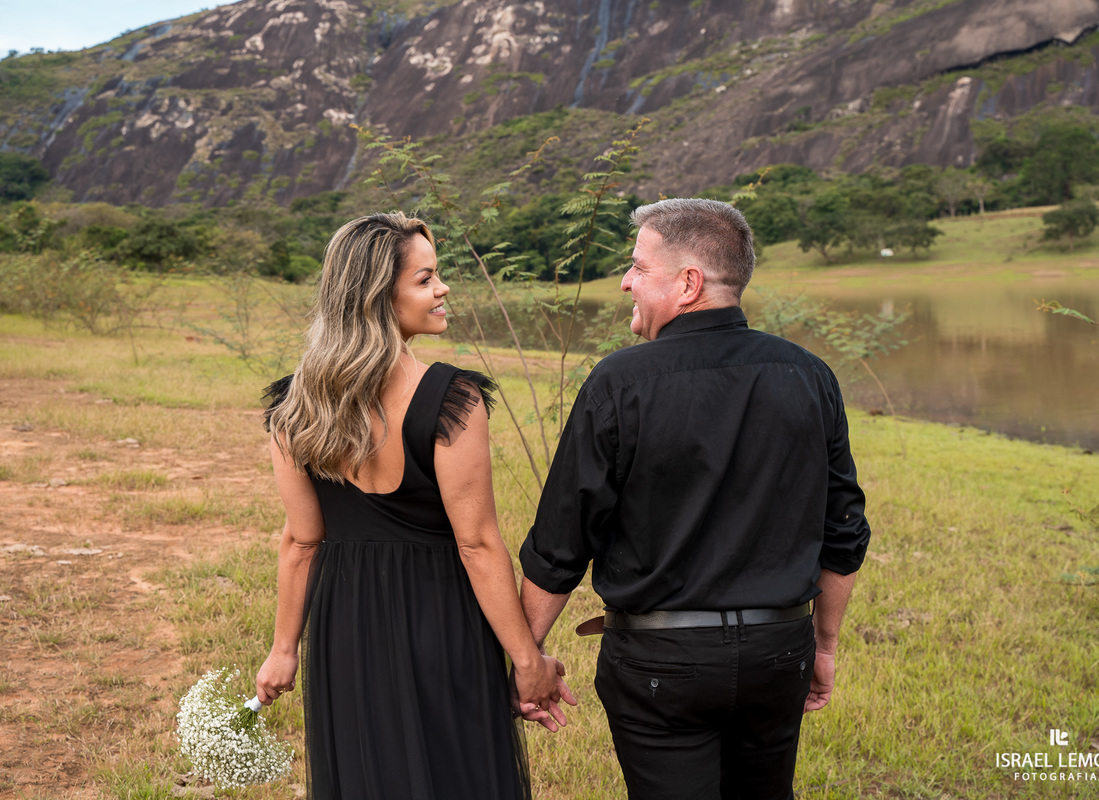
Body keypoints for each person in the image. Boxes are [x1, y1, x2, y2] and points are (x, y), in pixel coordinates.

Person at [516, 198, 871, 799]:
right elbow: (844, 531)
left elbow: (561, 544)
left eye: (637, 267)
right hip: (778, 652)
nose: (625, 280)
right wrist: (823, 643)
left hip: (661, 663)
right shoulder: (810, 376)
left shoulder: (619, 382)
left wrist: (525, 660)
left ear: (688, 283)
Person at [253, 212, 566, 800]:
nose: (443, 289)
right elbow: (476, 544)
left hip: (345, 625)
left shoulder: (294, 408)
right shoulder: (452, 398)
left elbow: (301, 540)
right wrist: (528, 660)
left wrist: (284, 650)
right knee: (457, 775)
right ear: (377, 297)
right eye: (425, 279)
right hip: (440, 621)